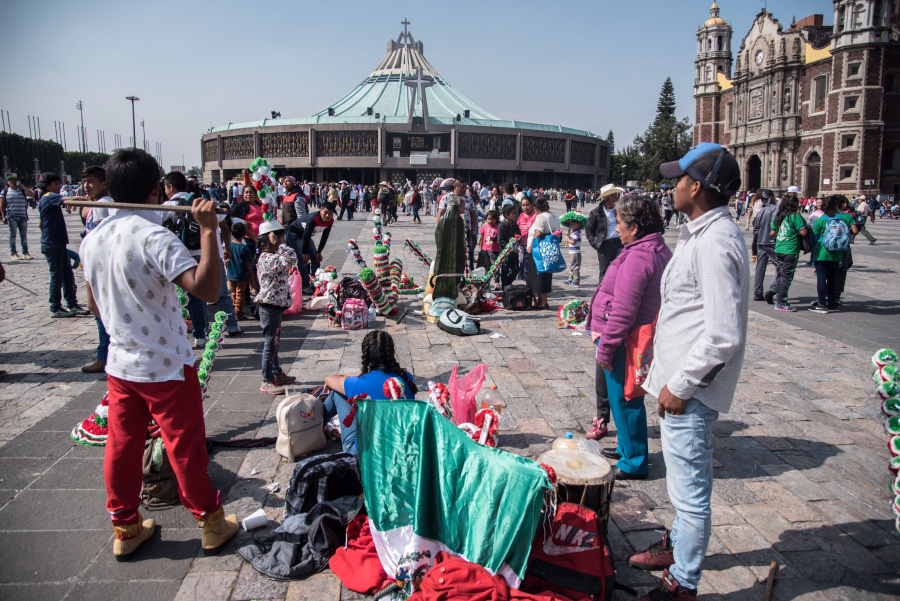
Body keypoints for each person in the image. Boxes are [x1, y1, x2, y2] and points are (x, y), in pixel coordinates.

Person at [80, 148, 239, 561]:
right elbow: (205, 291)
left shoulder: (92, 238)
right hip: (165, 364)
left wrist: (121, 326)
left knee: (123, 444)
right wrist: (207, 231)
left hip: (121, 362)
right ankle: (211, 522)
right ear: (155, 189)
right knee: (184, 445)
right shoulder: (154, 237)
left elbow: (94, 302)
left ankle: (125, 525)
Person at [630, 144, 748, 600]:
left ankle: (684, 581)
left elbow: (722, 333)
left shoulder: (716, 242)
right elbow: (686, 312)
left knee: (691, 493)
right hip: (678, 382)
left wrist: (679, 385)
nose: (671, 186)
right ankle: (678, 547)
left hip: (691, 392)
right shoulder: (700, 232)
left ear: (696, 187)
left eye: (677, 179)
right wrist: (659, 366)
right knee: (683, 485)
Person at [587, 195, 672, 480]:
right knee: (626, 397)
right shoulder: (652, 247)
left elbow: (624, 311)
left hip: (625, 339)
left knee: (625, 399)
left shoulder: (639, 255)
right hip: (631, 336)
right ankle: (627, 447)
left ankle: (633, 462)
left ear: (634, 227)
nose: (616, 230)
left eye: (620, 224)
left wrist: (606, 348)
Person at [322, 331, 417, 454]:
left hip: (363, 454)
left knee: (338, 392)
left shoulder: (356, 383)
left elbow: (329, 379)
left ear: (365, 354)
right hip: (399, 448)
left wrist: (344, 375)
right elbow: (378, 381)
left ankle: (315, 426)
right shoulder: (406, 378)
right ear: (391, 353)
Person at [255, 220, 298, 395]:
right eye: (281, 236)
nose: (283, 240)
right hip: (269, 307)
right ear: (272, 238)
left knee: (274, 342)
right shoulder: (267, 258)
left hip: (274, 306)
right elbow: (291, 258)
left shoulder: (272, 258)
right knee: (270, 344)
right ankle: (266, 380)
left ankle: (276, 373)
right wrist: (280, 244)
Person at [38, 173, 88, 318]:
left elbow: (41, 224)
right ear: (47, 186)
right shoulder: (49, 196)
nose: (59, 187)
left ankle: (72, 304)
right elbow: (72, 199)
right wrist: (95, 199)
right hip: (52, 244)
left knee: (67, 275)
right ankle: (55, 307)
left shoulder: (45, 200)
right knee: (57, 277)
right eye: (56, 184)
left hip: (56, 242)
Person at [809, 195, 859, 314]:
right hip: (838, 252)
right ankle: (832, 301)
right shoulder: (845, 217)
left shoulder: (821, 219)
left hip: (822, 252)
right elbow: (855, 231)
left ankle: (822, 304)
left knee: (821, 278)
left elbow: (814, 236)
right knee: (832, 278)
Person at [287, 201, 336, 295]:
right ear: (321, 210)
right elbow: (305, 236)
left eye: (330, 213)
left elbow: (325, 236)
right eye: (325, 212)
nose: (327, 215)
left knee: (316, 259)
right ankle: (305, 285)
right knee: (302, 260)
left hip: (306, 236)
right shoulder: (313, 219)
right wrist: (304, 253)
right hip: (295, 234)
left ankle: (315, 282)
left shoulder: (330, 221)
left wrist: (319, 251)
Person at [769, 195, 808, 312]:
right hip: (790, 249)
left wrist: (782, 236)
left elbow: (772, 232)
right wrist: (792, 235)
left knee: (781, 274)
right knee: (786, 276)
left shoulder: (779, 216)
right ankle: (781, 302)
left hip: (779, 248)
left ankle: (779, 299)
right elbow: (804, 232)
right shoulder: (795, 216)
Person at [586, 184, 625, 285]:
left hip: (618, 243)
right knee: (604, 271)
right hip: (604, 244)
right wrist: (595, 243)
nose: (618, 197)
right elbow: (589, 229)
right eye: (615, 195)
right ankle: (602, 294)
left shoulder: (620, 210)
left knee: (620, 269)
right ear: (608, 197)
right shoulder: (596, 212)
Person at [525, 196, 560, 310]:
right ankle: (542, 301)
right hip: (548, 250)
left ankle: (542, 302)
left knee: (538, 275)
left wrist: (530, 247)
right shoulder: (553, 215)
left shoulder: (541, 217)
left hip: (538, 250)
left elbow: (538, 233)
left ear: (535, 208)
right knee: (546, 275)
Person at [751, 190, 779, 303]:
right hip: (771, 242)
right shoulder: (775, 209)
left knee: (760, 267)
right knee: (781, 266)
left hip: (760, 242)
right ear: (771, 197)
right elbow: (775, 224)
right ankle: (772, 289)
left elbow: (755, 228)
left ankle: (757, 292)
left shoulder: (761, 211)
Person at [227, 222, 258, 320]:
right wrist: (250, 277)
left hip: (230, 274)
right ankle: (238, 313)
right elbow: (248, 265)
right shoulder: (244, 248)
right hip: (241, 275)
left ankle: (234, 310)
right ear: (244, 234)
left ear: (232, 233)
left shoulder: (229, 246)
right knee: (240, 295)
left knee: (233, 293)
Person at [1, 174, 34, 259]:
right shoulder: (5, 192)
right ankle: (13, 253)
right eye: (10, 180)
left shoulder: (22, 191)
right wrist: (3, 216)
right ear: (8, 182)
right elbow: (1, 205)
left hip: (23, 216)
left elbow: (31, 194)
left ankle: (25, 252)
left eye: (14, 180)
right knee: (12, 236)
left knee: (23, 236)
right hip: (12, 216)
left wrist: (22, 186)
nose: (12, 182)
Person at [498, 205, 521, 290]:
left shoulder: (515, 225)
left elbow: (519, 237)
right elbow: (500, 240)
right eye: (513, 213)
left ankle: (508, 284)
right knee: (505, 271)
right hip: (505, 254)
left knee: (515, 270)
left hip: (514, 253)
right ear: (506, 215)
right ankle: (505, 289)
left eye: (515, 213)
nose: (515, 215)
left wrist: (516, 246)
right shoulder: (502, 226)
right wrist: (510, 247)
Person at [562, 213, 585, 288]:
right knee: (571, 266)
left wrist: (567, 239)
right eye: (572, 225)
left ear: (579, 225)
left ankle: (576, 281)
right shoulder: (573, 232)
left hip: (575, 252)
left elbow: (573, 241)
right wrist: (568, 234)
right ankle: (570, 279)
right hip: (572, 252)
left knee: (575, 267)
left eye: (574, 225)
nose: (572, 226)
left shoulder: (577, 232)